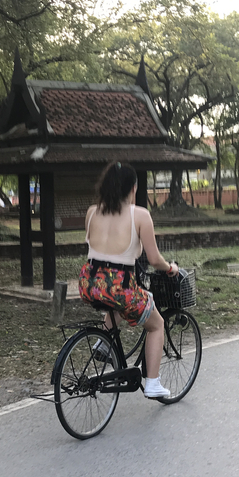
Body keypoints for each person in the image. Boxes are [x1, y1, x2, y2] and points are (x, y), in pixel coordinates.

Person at [79, 161, 179, 399]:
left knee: (114, 300)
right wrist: (170, 268)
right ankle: (153, 383)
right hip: (119, 287)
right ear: (133, 188)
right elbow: (154, 259)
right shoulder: (140, 215)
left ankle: (104, 343)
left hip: (89, 283)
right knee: (156, 325)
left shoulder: (92, 211)